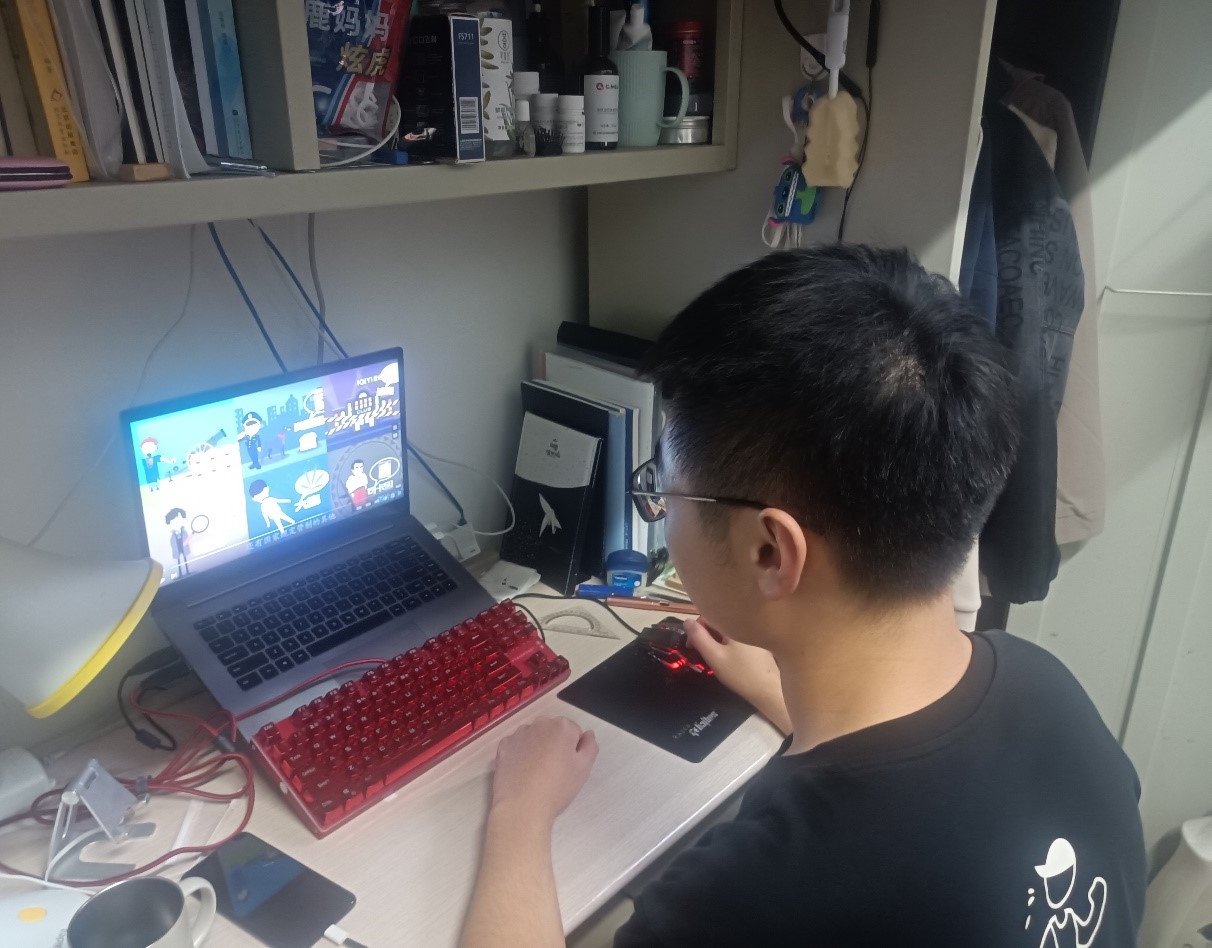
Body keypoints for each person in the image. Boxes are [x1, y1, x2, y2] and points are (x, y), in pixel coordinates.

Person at [460, 246, 1146, 947]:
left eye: (664, 489)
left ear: (770, 551)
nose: (661, 508)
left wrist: (521, 810)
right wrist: (787, 694)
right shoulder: (1052, 692)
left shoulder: (763, 889)